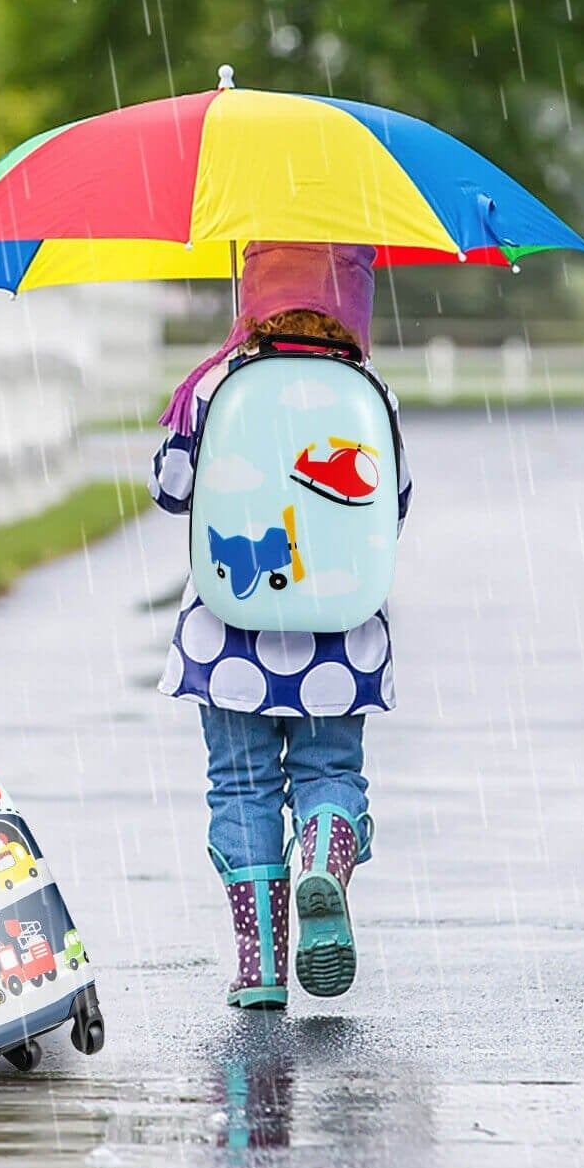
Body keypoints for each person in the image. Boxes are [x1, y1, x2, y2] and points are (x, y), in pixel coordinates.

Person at [149, 241, 410, 1009]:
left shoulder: (217, 390)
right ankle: (326, 854)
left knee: (241, 786)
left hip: (230, 637)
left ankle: (259, 963)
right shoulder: (369, 395)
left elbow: (171, 491)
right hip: (342, 633)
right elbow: (392, 506)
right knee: (330, 773)